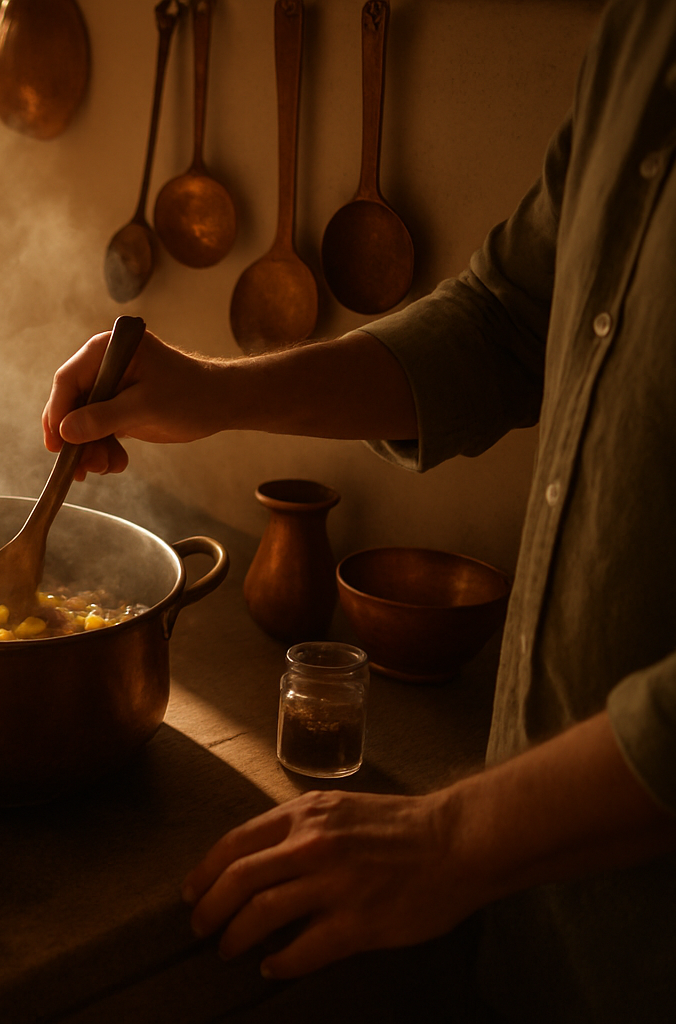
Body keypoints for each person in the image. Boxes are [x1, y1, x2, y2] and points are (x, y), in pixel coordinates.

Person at [43, 1, 675, 1018]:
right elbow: (511, 318)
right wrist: (214, 390)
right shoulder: (643, 36)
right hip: (546, 909)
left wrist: (452, 835)